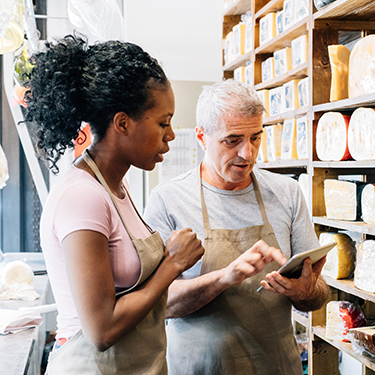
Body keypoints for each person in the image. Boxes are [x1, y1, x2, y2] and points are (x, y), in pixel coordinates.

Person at [22, 34, 207, 375]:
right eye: (163, 123)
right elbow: (101, 330)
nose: (170, 135)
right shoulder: (82, 196)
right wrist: (171, 265)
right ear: (123, 123)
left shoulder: (115, 188)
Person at [144, 79, 331, 375]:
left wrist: (303, 291)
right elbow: (156, 307)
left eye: (256, 137)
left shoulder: (287, 193)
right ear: (202, 137)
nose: (248, 153)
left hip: (276, 366)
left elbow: (319, 294)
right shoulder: (168, 200)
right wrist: (223, 278)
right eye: (232, 140)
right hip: (198, 369)